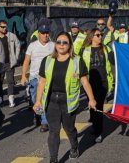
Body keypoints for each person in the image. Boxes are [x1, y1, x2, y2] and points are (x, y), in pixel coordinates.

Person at [33, 32, 97, 163]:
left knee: (69, 129)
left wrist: (91, 99)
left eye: (65, 42)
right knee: (53, 131)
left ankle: (74, 147)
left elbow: (85, 82)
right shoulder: (47, 60)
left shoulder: (77, 61)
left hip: (68, 101)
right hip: (51, 100)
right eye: (58, 42)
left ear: (70, 45)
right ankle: (53, 159)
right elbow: (42, 82)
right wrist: (38, 101)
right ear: (55, 44)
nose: (61, 45)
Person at [80, 28, 114, 143]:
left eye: (101, 35)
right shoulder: (84, 50)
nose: (100, 37)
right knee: (91, 105)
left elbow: (113, 60)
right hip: (89, 83)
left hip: (103, 82)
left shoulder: (105, 48)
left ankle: (99, 132)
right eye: (98, 35)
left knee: (98, 107)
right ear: (91, 37)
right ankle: (95, 126)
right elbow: (78, 63)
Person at [21, 24, 55, 132]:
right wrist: (23, 76)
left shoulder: (53, 45)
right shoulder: (32, 46)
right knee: (35, 100)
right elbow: (26, 61)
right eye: (43, 33)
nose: (45, 35)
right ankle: (39, 115)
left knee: (45, 99)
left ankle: (44, 122)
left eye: (47, 33)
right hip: (35, 78)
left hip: (48, 78)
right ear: (39, 34)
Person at [0, 20, 20, 108]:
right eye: (2, 27)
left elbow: (18, 45)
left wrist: (15, 57)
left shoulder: (11, 35)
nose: (4, 28)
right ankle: (0, 99)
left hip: (9, 63)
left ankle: (11, 99)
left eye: (5, 27)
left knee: (10, 81)